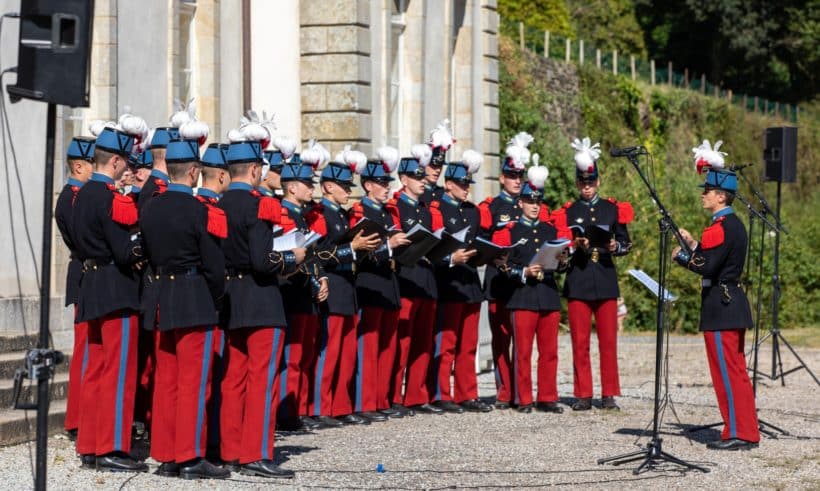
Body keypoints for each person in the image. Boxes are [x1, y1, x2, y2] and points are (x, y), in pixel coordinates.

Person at [217, 123, 304, 479]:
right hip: (261, 298)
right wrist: (292, 258)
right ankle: (256, 452)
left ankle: (231, 449)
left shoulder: (220, 202)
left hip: (230, 297)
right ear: (255, 170)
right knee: (262, 380)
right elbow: (262, 259)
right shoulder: (261, 205)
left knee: (234, 377)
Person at [140, 135, 230, 479]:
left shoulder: (150, 208)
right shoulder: (200, 210)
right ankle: (191, 456)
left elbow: (148, 255)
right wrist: (216, 296)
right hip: (194, 298)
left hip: (163, 296)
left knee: (168, 381)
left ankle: (166, 455)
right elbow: (214, 266)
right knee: (195, 382)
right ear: (194, 171)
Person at [72, 117, 149, 472]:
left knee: (96, 371)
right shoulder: (109, 198)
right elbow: (125, 251)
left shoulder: (81, 194)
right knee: (118, 373)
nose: (128, 170)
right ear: (115, 161)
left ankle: (90, 444)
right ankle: (112, 447)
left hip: (91, 286)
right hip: (117, 289)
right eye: (126, 163)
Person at [672, 142, 759, 451]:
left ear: (721, 195)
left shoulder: (720, 227)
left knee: (726, 373)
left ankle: (738, 431)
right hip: (730, 303)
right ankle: (745, 429)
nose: (703, 194)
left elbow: (707, 266)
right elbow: (715, 258)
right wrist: (693, 244)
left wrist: (682, 257)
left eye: (708, 190)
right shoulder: (729, 226)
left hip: (720, 308)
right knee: (736, 371)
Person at [551, 137, 633, 411]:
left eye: (591, 182)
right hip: (579, 280)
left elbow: (625, 243)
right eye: (582, 183)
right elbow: (560, 249)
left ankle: (609, 392)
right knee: (580, 341)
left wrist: (614, 245)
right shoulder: (568, 211)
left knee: (608, 342)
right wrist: (574, 247)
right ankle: (583, 393)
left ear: (598, 182)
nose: (587, 187)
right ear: (577, 183)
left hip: (606, 279)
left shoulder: (612, 208)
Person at [306, 147, 381, 426]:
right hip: (333, 287)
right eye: (344, 186)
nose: (348, 190)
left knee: (347, 352)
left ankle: (340, 404)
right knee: (329, 352)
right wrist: (352, 247)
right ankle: (321, 407)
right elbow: (321, 253)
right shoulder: (320, 214)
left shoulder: (340, 213)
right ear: (327, 187)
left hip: (348, 287)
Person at [492, 161, 568, 413]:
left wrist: (563, 261)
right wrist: (523, 271)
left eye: (538, 202)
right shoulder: (509, 232)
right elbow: (502, 266)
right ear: (520, 203)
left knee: (549, 352)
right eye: (529, 201)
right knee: (522, 351)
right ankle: (522, 398)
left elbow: (561, 265)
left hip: (547, 294)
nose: (534, 206)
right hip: (522, 295)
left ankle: (547, 396)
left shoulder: (550, 229)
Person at [349, 147, 411, 421]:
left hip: (389, 283)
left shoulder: (389, 213)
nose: (387, 188)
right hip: (369, 283)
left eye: (388, 184)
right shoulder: (359, 211)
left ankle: (383, 398)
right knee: (370, 346)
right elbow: (361, 251)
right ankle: (366, 401)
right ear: (368, 185)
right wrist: (388, 245)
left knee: (388, 346)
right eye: (382, 184)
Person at [428, 149, 492, 413]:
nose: (467, 189)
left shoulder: (473, 211)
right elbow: (430, 250)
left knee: (468, 344)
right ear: (448, 184)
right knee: (446, 342)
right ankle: (441, 392)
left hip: (469, 282)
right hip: (447, 281)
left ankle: (467, 393)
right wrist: (451, 258)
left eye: (468, 184)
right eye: (462, 184)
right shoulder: (437, 208)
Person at [277, 142, 331, 430]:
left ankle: (299, 409)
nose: (312, 189)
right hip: (293, 292)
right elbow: (289, 256)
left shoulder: (302, 215)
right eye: (307, 184)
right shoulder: (283, 215)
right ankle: (286, 413)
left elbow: (312, 253)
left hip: (307, 291)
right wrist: (311, 280)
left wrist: (322, 278)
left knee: (306, 354)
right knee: (292, 357)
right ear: (292, 188)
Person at [388, 144, 443, 415]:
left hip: (426, 278)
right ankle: (394, 395)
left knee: (423, 341)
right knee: (403, 340)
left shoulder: (426, 208)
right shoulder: (396, 205)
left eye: (424, 178)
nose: (423, 182)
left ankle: (416, 395)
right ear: (404, 179)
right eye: (417, 178)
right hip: (406, 276)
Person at [478, 132, 531, 409]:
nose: (516, 181)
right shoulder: (492, 206)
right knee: (501, 339)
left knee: (522, 340)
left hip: (522, 283)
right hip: (498, 279)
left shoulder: (529, 205)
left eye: (519, 176)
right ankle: (504, 391)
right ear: (502, 177)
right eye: (512, 175)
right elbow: (482, 240)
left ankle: (522, 392)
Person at [56, 136, 95, 440]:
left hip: (86, 272)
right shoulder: (72, 197)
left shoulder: (80, 194)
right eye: (93, 163)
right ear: (79, 166)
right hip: (85, 272)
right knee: (84, 350)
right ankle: (77, 418)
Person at [419, 120, 453, 206]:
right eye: (433, 165)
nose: (437, 170)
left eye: (440, 166)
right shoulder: (416, 193)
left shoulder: (444, 195)